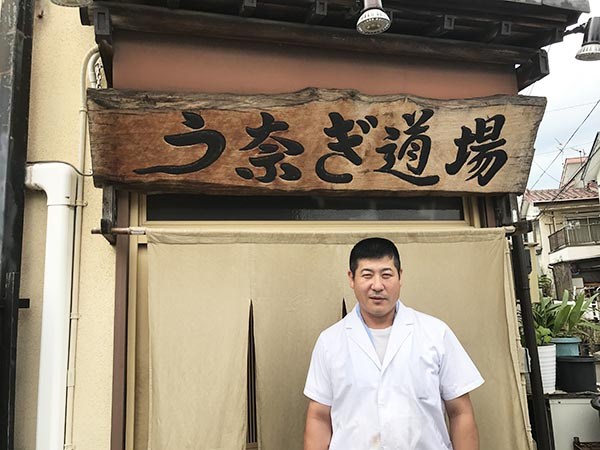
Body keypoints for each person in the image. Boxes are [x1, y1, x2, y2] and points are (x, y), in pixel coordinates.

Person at [303, 237, 484, 450]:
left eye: (386, 275)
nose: (377, 286)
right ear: (351, 278)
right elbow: (319, 417)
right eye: (367, 275)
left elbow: (460, 412)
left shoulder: (435, 333)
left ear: (400, 276)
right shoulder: (330, 342)